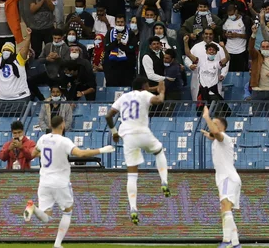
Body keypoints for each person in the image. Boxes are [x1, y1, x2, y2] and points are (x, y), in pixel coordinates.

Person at [23, 115, 115, 246]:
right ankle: (57, 243)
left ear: (51, 125)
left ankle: (33, 207)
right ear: (62, 125)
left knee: (46, 217)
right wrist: (101, 150)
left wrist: (44, 153)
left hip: (44, 182)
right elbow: (80, 154)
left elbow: (32, 154)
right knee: (67, 211)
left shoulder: (43, 139)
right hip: (60, 182)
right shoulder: (64, 141)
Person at [105, 77, 171, 225]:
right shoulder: (144, 94)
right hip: (142, 132)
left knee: (132, 174)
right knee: (159, 151)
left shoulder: (123, 97)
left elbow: (108, 115)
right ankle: (164, 181)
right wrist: (162, 91)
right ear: (144, 86)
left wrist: (114, 132)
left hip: (127, 136)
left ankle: (133, 208)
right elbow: (159, 100)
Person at [200, 105, 243, 248]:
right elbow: (213, 135)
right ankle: (236, 244)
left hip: (227, 178)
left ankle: (227, 241)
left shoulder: (224, 137)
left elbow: (216, 134)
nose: (213, 126)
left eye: (215, 124)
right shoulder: (219, 140)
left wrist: (206, 117)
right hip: (226, 178)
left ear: (222, 128)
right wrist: (208, 135)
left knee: (225, 208)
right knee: (225, 210)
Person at [0, 28, 32, 116]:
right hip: (1, 98)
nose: (6, 52)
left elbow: (25, 48)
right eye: (4, 50)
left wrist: (28, 36)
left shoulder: (19, 59)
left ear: (12, 52)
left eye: (8, 50)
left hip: (20, 98)